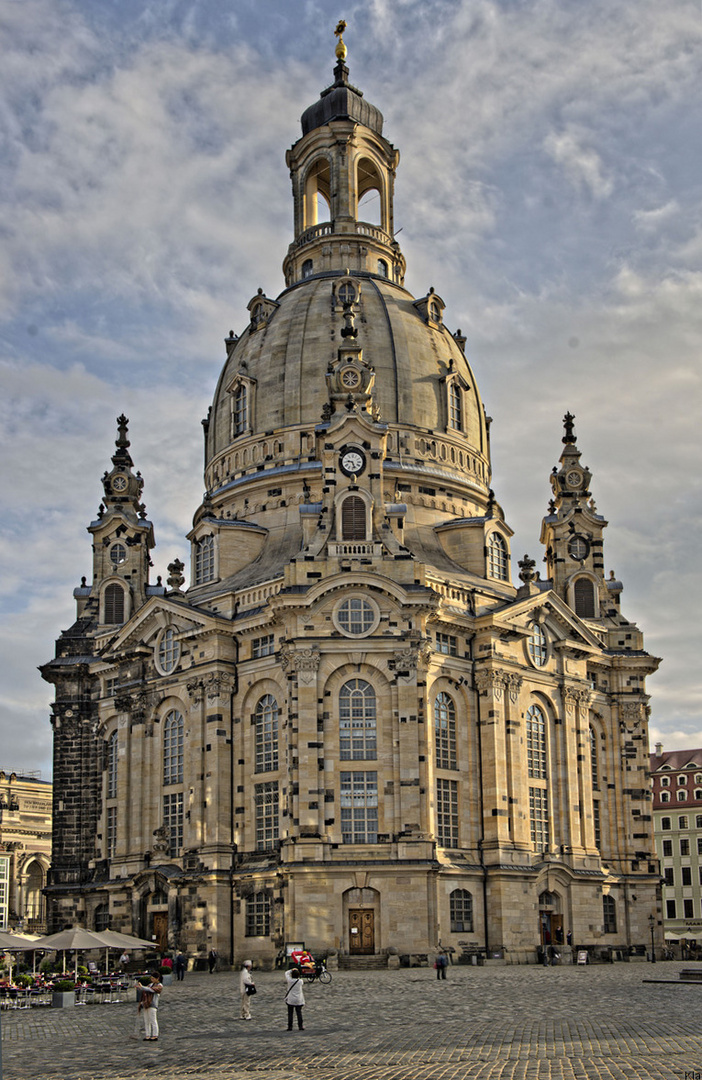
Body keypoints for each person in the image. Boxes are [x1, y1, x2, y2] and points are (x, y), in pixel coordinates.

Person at [138, 972, 163, 1041]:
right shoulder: (150, 984)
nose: (151, 979)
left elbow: (151, 990)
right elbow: (145, 990)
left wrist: (142, 987)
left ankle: (155, 1035)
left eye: (153, 978)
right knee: (146, 1020)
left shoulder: (159, 985)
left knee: (153, 1020)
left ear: (157, 978)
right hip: (146, 1004)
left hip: (153, 1004)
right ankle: (147, 1035)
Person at [285, 965, 305, 1031]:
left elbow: (286, 973)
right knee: (299, 1013)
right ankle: (300, 1026)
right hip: (298, 999)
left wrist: (291, 970)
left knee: (290, 1013)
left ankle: (290, 1026)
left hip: (291, 999)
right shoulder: (300, 981)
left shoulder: (290, 981)